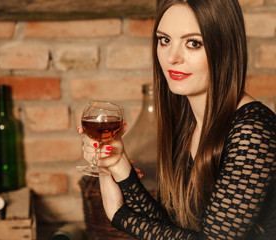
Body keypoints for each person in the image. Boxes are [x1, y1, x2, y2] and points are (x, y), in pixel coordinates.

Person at [78, 0, 276, 239]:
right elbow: (172, 229)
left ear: (224, 47)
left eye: (193, 43)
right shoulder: (187, 121)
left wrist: (118, 214)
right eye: (165, 40)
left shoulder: (252, 132)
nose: (172, 57)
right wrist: (117, 166)